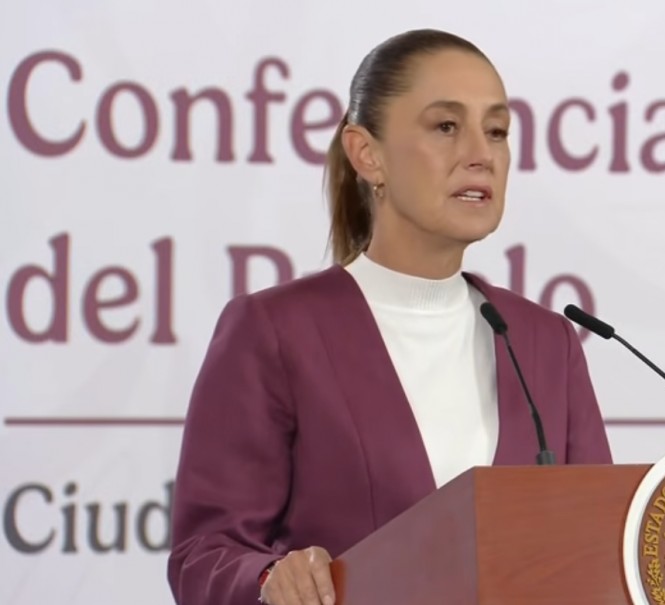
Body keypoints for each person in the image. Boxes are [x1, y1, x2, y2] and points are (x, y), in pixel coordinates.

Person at [167, 28, 612, 605]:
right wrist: (270, 579)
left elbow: (597, 548)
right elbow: (205, 554)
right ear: (366, 154)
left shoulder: (545, 342)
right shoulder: (275, 332)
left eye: (497, 131)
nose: (481, 154)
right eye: (445, 126)